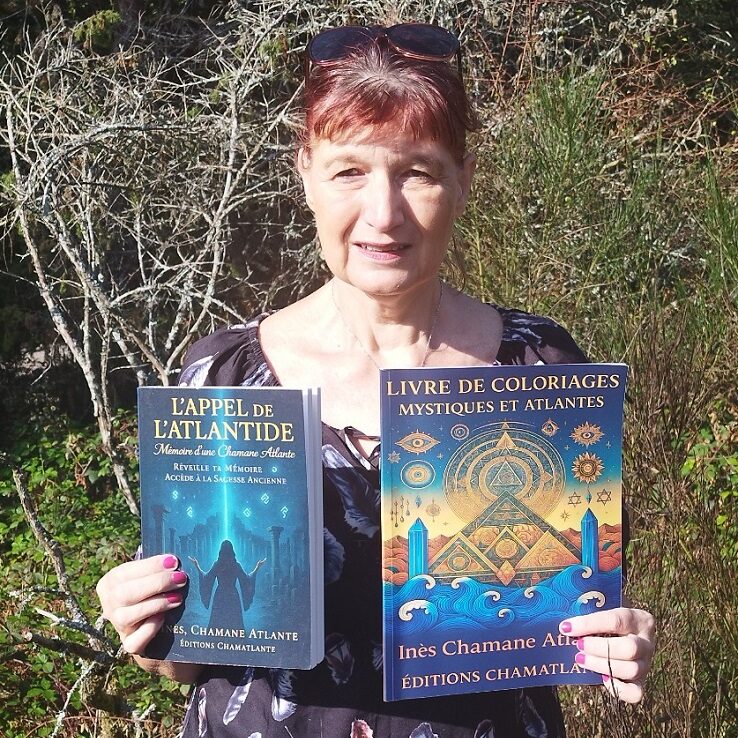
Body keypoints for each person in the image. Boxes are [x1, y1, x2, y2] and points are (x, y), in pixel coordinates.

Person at [96, 22, 655, 737]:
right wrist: (147, 624)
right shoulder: (225, 377)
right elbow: (189, 661)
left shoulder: (540, 370)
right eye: (349, 171)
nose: (384, 214)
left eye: (418, 172)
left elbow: (582, 605)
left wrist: (619, 641)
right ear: (305, 173)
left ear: (463, 179)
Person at [188, 542, 266, 633]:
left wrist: (197, 566)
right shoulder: (236, 565)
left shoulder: (217, 564)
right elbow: (246, 580)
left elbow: (207, 578)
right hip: (233, 595)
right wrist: (257, 567)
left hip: (220, 595)